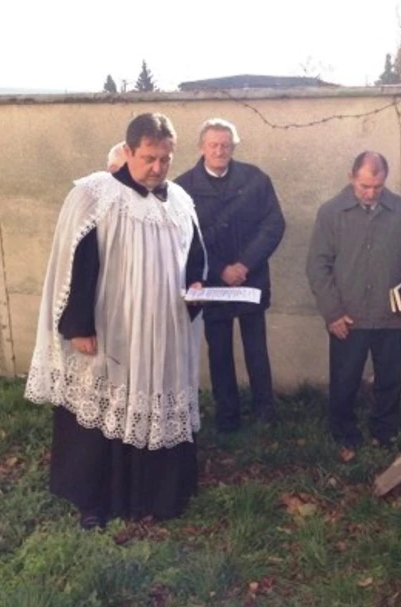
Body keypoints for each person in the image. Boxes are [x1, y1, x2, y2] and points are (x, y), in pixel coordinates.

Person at [25, 113, 208, 528]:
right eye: (148, 158)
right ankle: (95, 501)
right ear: (127, 152)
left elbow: (195, 257)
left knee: (154, 402)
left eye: (165, 159)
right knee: (102, 406)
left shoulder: (180, 200)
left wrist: (198, 288)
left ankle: (158, 495)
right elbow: (77, 264)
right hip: (111, 329)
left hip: (163, 332)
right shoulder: (96, 195)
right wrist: (79, 326)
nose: (157, 168)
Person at [307, 152, 401, 457]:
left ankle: (385, 432)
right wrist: (332, 312)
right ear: (352, 177)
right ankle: (342, 431)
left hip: (389, 315)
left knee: (390, 379)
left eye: (377, 186)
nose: (371, 193)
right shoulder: (331, 213)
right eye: (364, 186)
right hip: (348, 315)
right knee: (345, 378)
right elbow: (317, 266)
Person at [174, 119, 285, 433]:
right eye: (213, 145)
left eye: (226, 145)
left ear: (233, 147)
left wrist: (245, 264)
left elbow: (273, 224)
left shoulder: (256, 179)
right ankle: (228, 417)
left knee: (256, 350)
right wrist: (222, 267)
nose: (219, 151)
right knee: (219, 351)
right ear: (201, 148)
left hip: (251, 280)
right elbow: (187, 238)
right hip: (212, 283)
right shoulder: (183, 188)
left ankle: (265, 412)